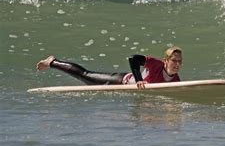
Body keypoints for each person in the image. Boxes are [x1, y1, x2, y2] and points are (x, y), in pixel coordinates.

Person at [35, 46, 182, 89]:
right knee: (86, 76)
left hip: (129, 82)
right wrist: (138, 80)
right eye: (174, 60)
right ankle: (52, 62)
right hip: (120, 80)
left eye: (179, 62)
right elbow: (133, 59)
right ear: (165, 61)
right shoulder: (156, 64)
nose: (177, 64)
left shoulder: (176, 80)